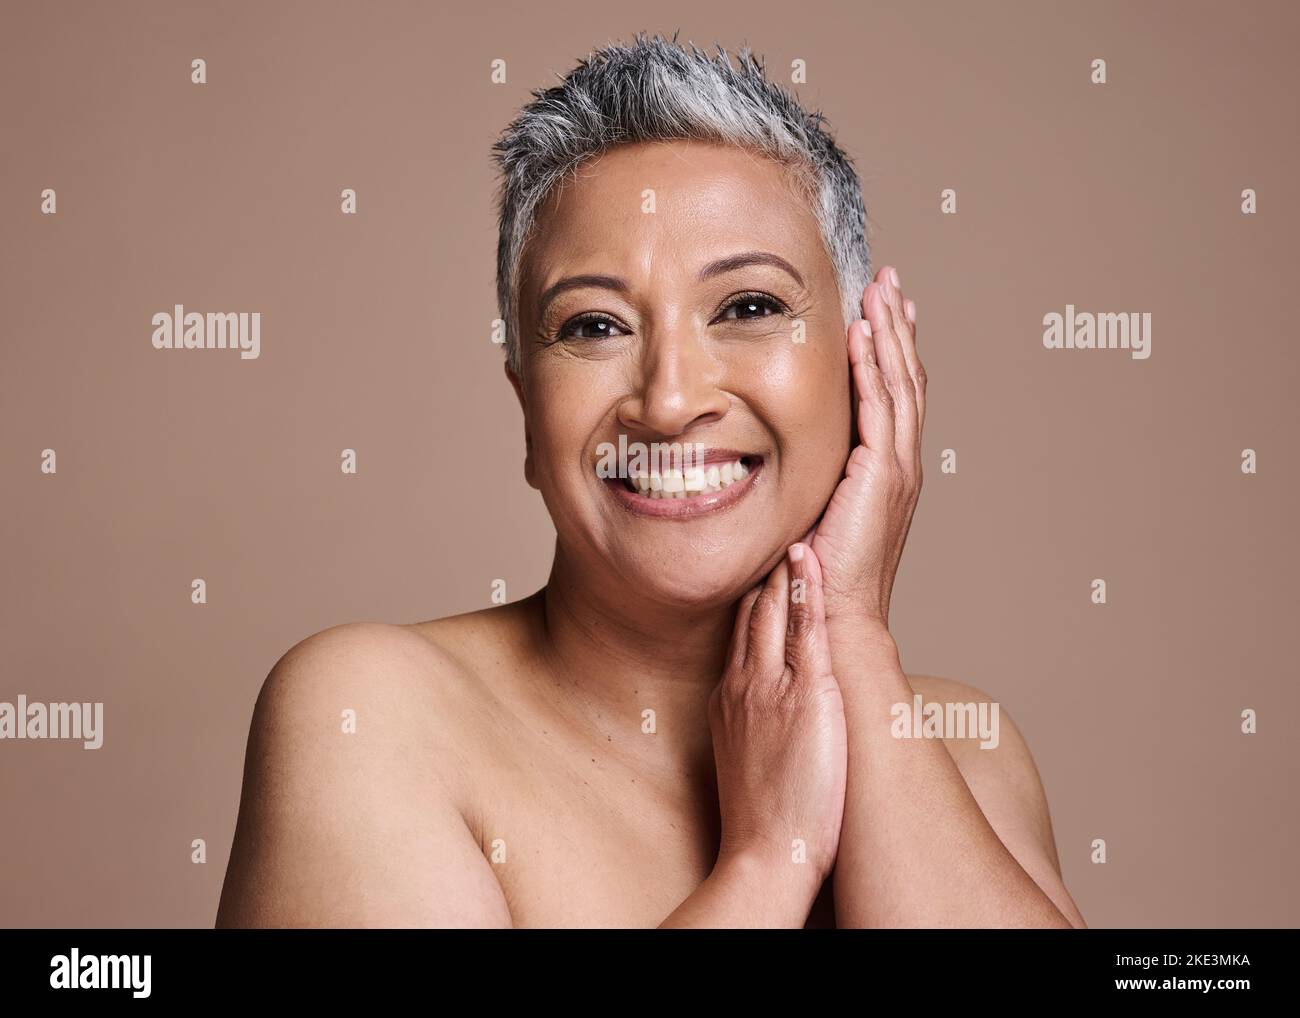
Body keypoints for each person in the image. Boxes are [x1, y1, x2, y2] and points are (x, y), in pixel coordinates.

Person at [216, 34, 1086, 929]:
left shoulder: (965, 755)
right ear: (526, 409)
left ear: (865, 367)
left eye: (749, 308)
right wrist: (765, 863)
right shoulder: (372, 716)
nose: (668, 402)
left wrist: (851, 637)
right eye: (593, 326)